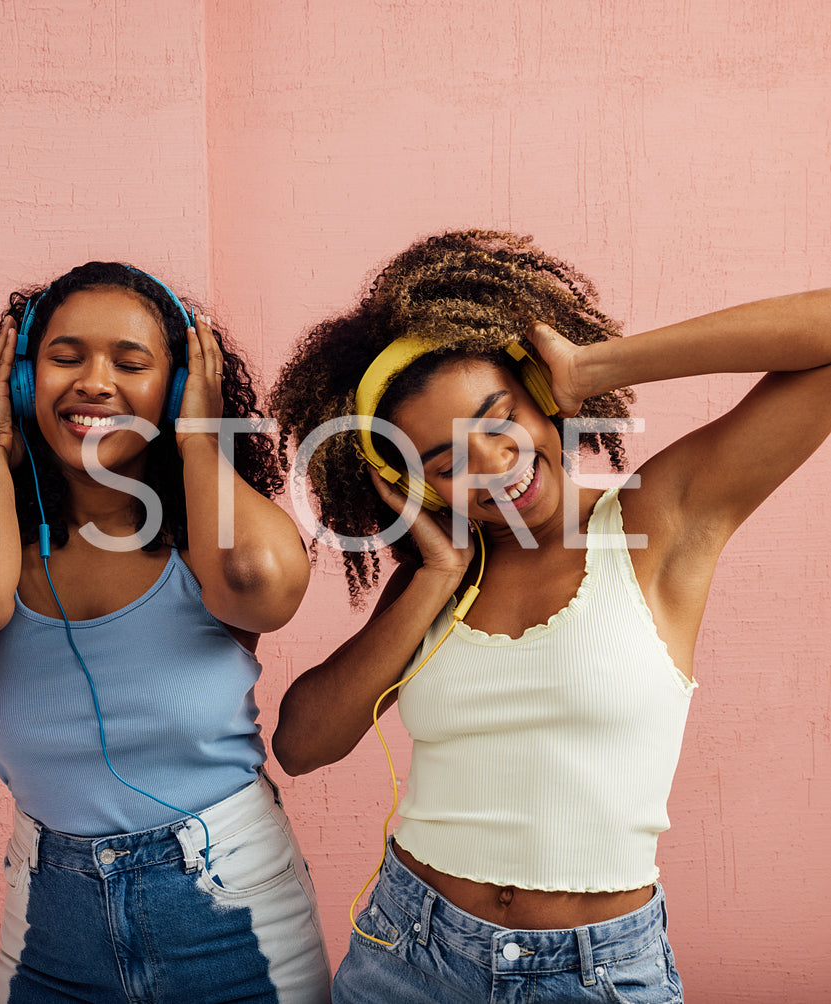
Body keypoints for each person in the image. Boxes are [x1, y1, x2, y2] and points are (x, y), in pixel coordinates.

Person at [269, 229, 831, 1003]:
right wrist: (433, 575)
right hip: (405, 952)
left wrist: (594, 364)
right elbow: (300, 745)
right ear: (418, 488)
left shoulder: (657, 521)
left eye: (499, 417)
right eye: (446, 461)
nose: (494, 464)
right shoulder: (439, 580)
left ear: (539, 396)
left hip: (595, 973)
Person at [0, 261, 332, 1003]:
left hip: (230, 902)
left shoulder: (208, 541)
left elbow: (264, 584)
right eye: (65, 357)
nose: (94, 382)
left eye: (131, 364)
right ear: (21, 381)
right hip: (50, 919)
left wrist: (199, 434)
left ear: (172, 390)